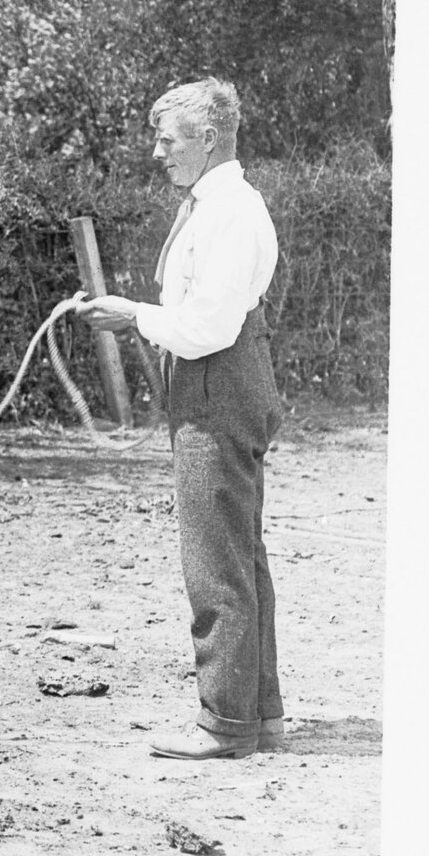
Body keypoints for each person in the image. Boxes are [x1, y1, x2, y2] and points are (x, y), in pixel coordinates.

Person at [79, 78, 285, 760]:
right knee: (238, 555)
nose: (159, 150)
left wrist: (131, 315)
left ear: (207, 137)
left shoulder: (231, 211)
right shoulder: (212, 206)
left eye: (168, 138)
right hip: (214, 380)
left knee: (215, 564)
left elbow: (206, 327)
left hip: (216, 385)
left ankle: (225, 724)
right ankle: (258, 715)